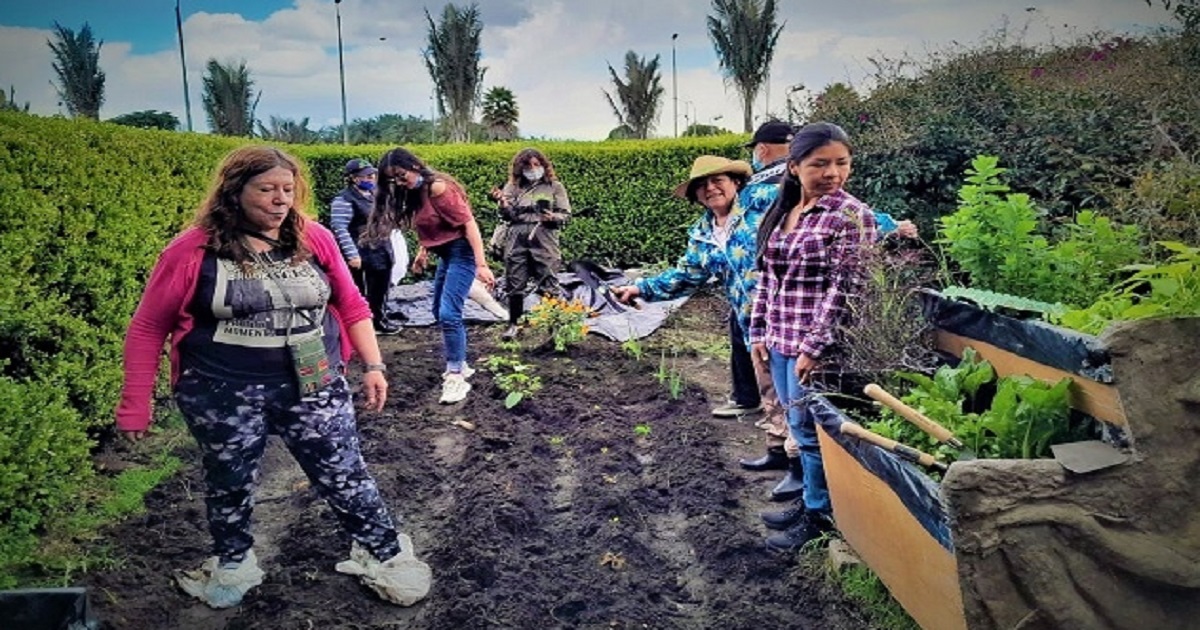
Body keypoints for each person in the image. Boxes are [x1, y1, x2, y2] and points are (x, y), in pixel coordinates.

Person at [115, 146, 431, 608]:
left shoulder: (314, 239)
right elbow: (148, 326)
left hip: (314, 383)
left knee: (345, 473)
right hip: (223, 391)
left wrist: (374, 365)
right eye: (266, 189)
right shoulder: (191, 250)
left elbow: (351, 303)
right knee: (230, 479)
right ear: (235, 192)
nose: (280, 200)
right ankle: (233, 560)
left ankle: (382, 552)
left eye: (287, 189)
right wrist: (135, 403)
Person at [748, 122, 878, 553]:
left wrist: (814, 348)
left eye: (841, 163)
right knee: (800, 431)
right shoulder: (783, 211)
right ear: (794, 166)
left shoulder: (851, 215)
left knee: (817, 432)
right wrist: (758, 331)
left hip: (818, 348)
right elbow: (767, 278)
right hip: (781, 337)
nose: (833, 173)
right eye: (820, 164)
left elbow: (848, 288)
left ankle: (821, 515)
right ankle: (811, 504)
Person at [612, 155, 770, 422]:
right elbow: (687, 275)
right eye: (702, 185)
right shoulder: (704, 233)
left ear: (735, 182)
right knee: (774, 391)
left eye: (718, 180)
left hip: (785, 312)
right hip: (750, 320)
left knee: (796, 393)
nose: (710, 189)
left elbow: (816, 201)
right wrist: (640, 289)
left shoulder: (762, 200)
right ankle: (781, 451)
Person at [375, 147, 495, 404]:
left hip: (461, 252)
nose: (398, 182)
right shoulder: (415, 193)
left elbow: (469, 224)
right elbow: (432, 224)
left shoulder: (438, 188)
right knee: (436, 309)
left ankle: (456, 375)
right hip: (445, 254)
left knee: (449, 313)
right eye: (392, 179)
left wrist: (481, 264)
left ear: (414, 166)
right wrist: (423, 252)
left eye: (400, 174)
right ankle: (460, 361)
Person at [489, 148, 571, 340]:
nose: (533, 169)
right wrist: (503, 204)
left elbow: (566, 214)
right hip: (517, 235)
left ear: (543, 165)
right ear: (520, 168)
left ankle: (555, 327)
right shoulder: (513, 186)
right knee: (514, 281)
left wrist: (553, 216)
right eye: (527, 165)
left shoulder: (554, 186)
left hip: (544, 234)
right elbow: (506, 216)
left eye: (536, 165)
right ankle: (514, 324)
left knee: (548, 280)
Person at [330, 158, 402, 334]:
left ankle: (379, 318)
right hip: (361, 252)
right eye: (366, 176)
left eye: (373, 175)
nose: (371, 179)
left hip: (381, 249)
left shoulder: (375, 195)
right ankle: (367, 324)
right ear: (354, 178)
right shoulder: (343, 200)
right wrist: (351, 255)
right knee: (362, 290)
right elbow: (339, 228)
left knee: (381, 288)